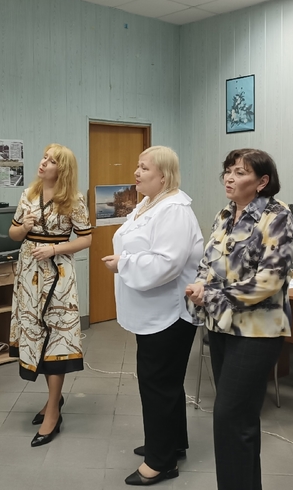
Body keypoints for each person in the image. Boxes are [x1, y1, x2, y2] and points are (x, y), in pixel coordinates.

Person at [185, 149, 293, 490]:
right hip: (222, 326)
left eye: (240, 172)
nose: (229, 178)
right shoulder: (225, 214)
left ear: (262, 182)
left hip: (257, 332)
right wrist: (200, 285)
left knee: (230, 417)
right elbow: (207, 263)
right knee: (238, 421)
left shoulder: (277, 216)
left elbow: (270, 280)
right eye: (228, 171)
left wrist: (214, 295)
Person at [101, 146, 203, 486]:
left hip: (169, 314)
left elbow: (166, 263)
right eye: (138, 165)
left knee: (158, 384)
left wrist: (124, 263)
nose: (137, 172)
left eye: (144, 168)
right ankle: (171, 443)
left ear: (164, 175)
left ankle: (161, 462)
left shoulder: (174, 210)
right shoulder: (149, 203)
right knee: (164, 383)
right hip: (153, 312)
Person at [8, 144, 92, 447]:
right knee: (37, 337)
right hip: (28, 275)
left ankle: (53, 411)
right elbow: (13, 233)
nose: (44, 163)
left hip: (58, 277)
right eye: (44, 157)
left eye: (52, 160)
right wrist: (24, 227)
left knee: (57, 340)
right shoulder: (28, 195)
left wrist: (55, 248)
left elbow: (86, 239)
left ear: (63, 169)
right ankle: (53, 400)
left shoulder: (73, 200)